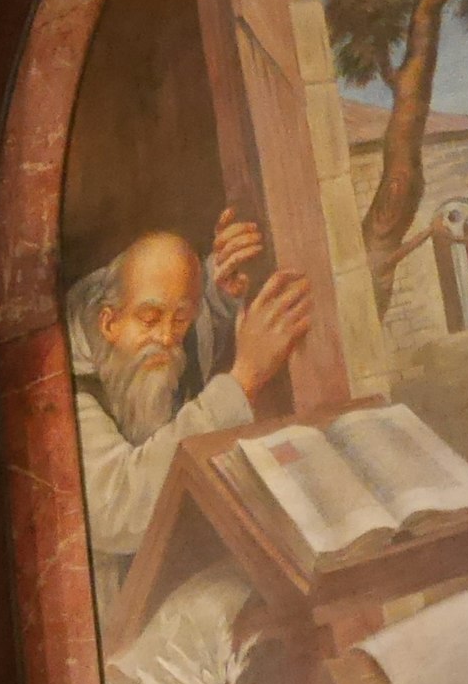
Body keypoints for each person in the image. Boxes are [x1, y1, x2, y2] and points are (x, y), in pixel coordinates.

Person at [60, 208, 313, 618]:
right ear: (108, 322)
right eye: (150, 318)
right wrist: (242, 382)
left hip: (171, 578)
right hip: (113, 616)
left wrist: (220, 288)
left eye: (180, 319)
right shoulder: (65, 394)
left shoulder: (157, 339)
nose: (166, 337)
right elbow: (120, 504)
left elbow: (189, 328)